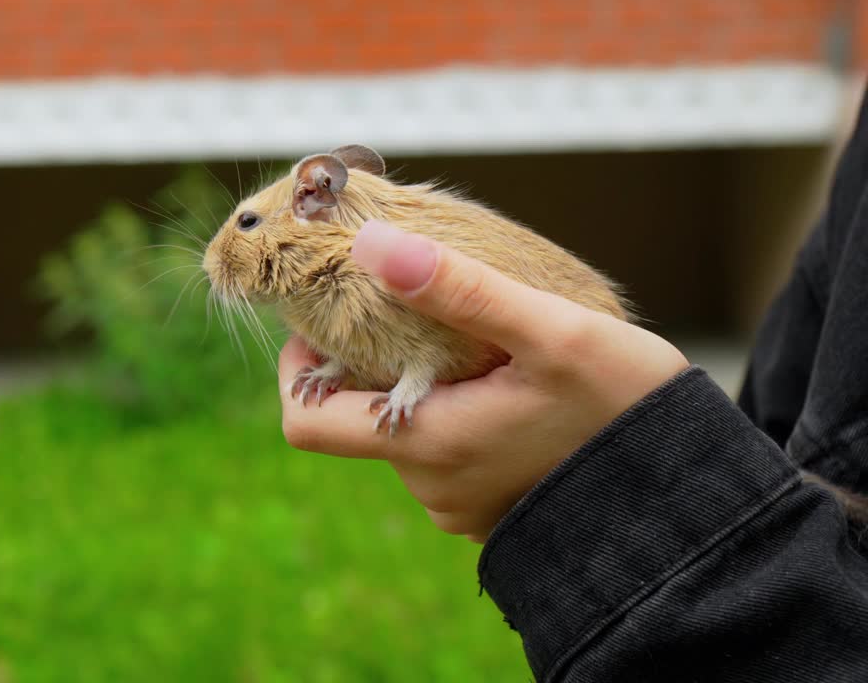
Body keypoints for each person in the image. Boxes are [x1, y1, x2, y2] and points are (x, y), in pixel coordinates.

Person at [278, 98, 868, 681]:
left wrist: (614, 482)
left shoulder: (369, 276)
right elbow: (794, 395)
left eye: (250, 224)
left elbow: (431, 344)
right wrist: (340, 368)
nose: (224, 249)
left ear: (318, 194)